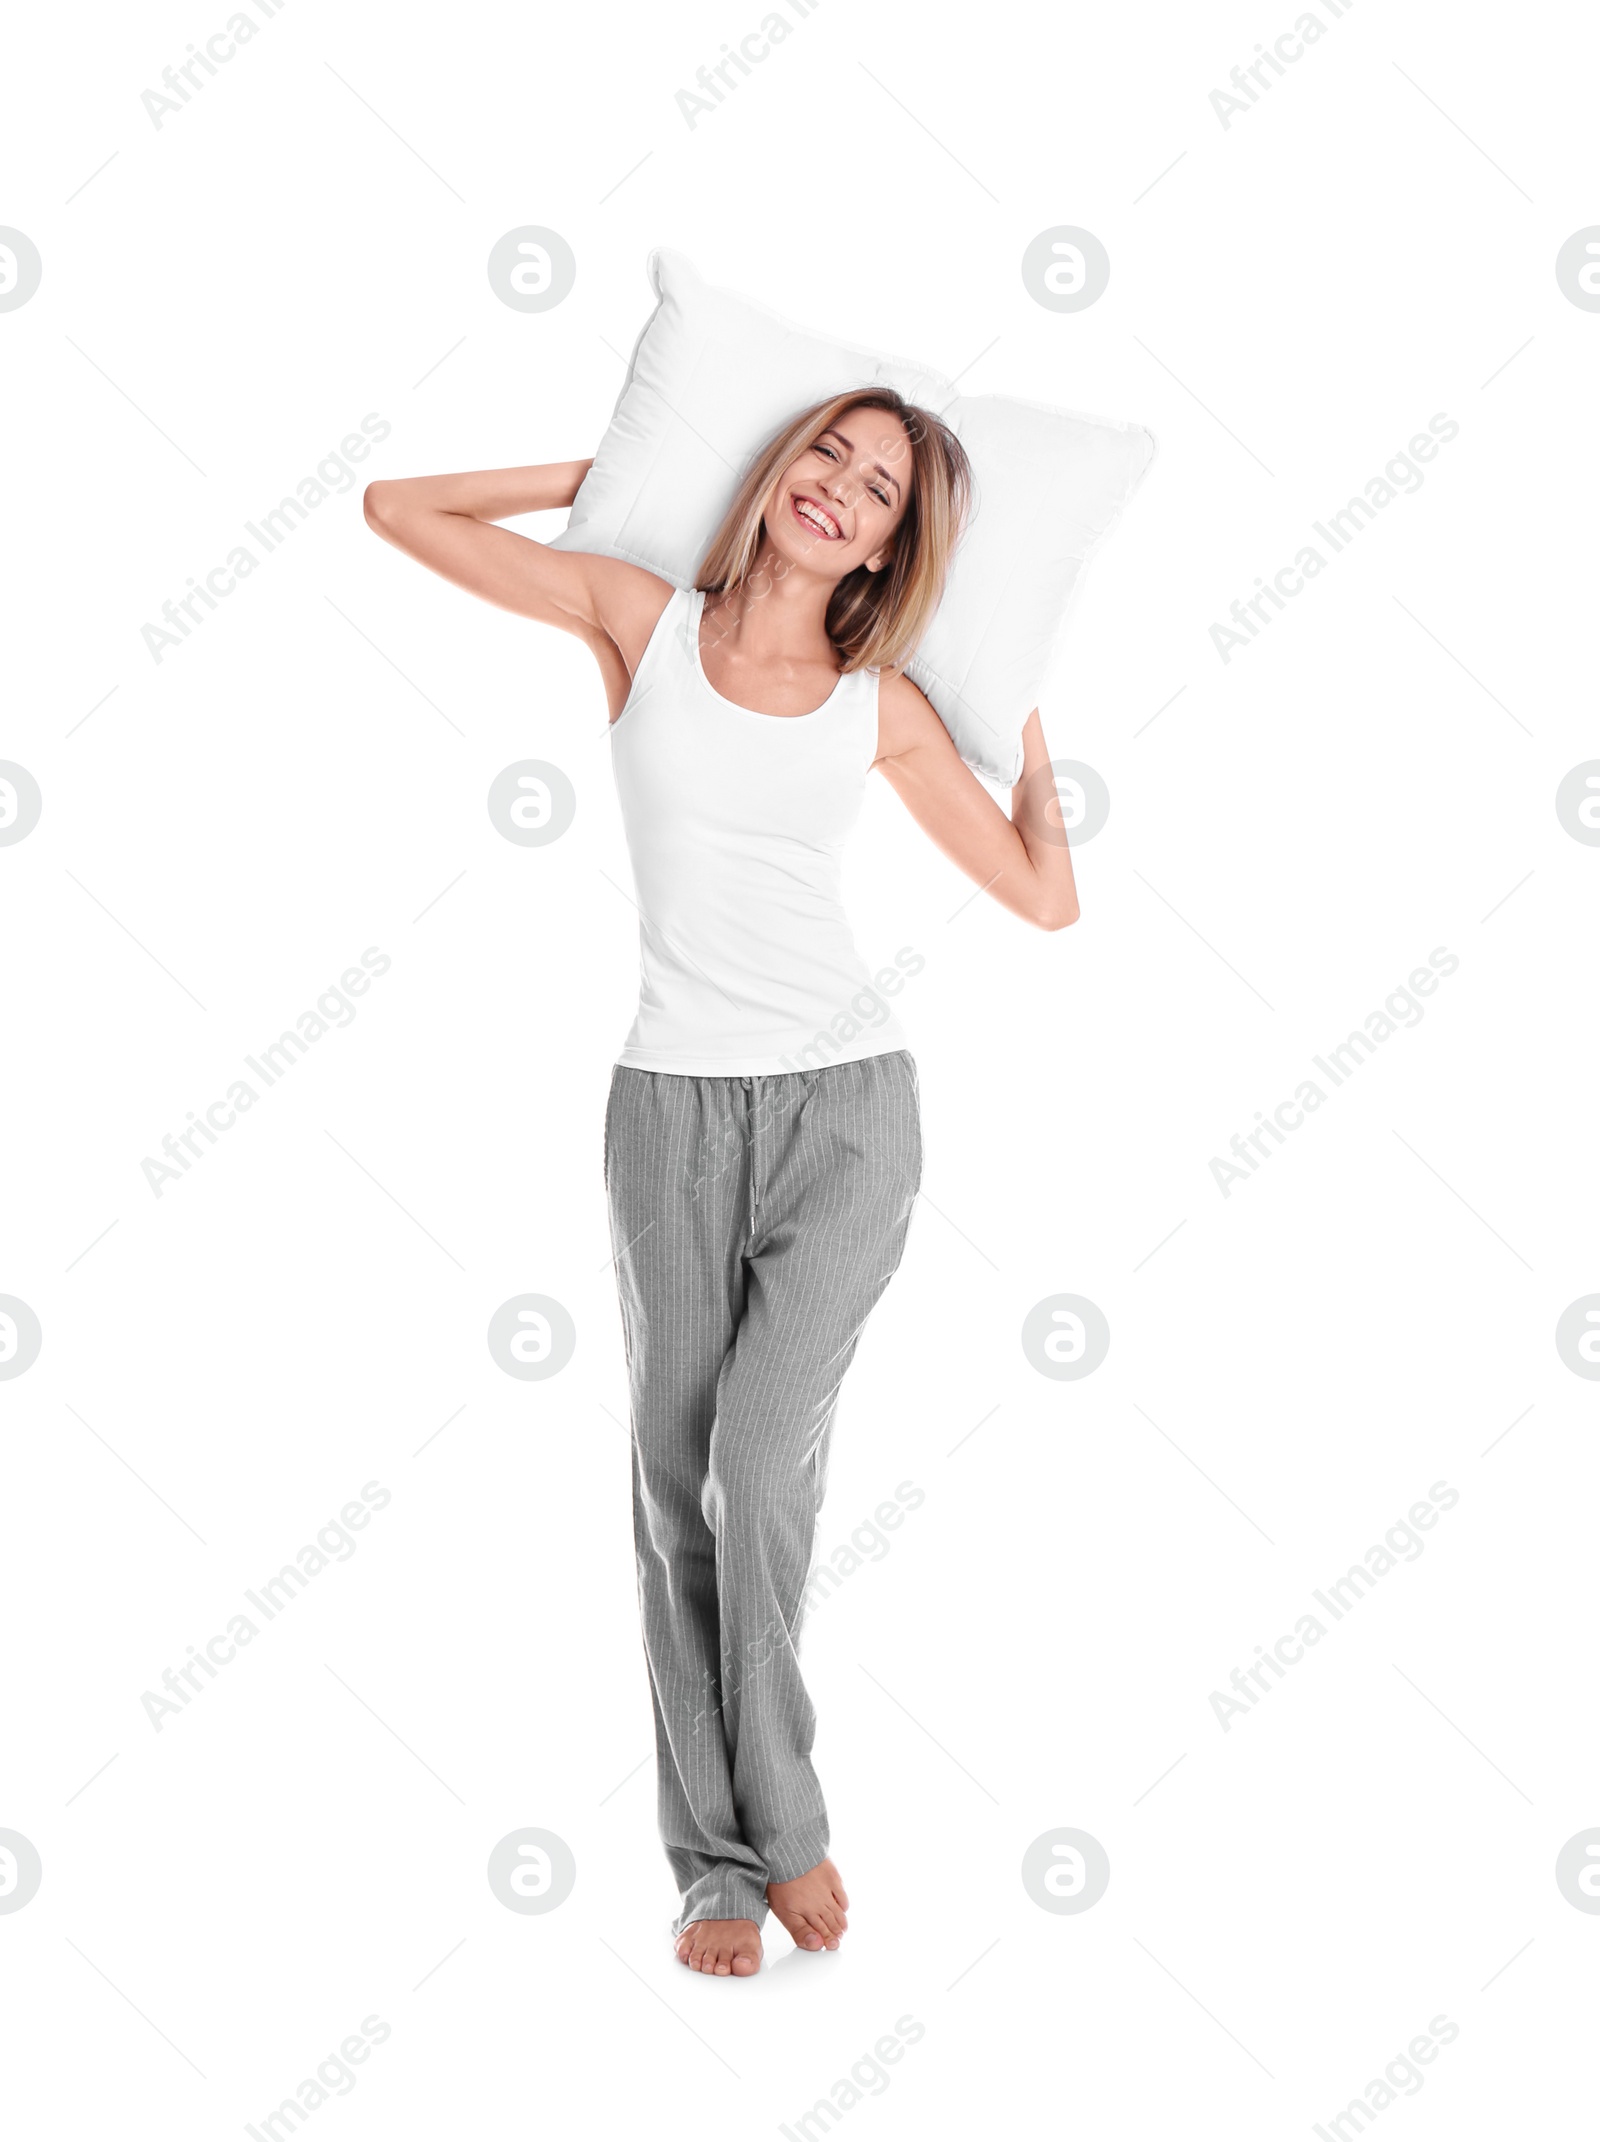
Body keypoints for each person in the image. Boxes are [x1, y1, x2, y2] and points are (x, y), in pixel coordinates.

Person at [364, 387, 1078, 1977]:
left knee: (760, 1465)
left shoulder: (879, 701)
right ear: (771, 467)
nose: (838, 489)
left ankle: (788, 1822)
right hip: (668, 1114)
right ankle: (712, 1867)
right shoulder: (640, 619)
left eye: (879, 489)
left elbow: (1042, 894)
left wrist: (1022, 707)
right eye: (824, 450)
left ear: (894, 544)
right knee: (668, 1489)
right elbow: (399, 511)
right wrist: (629, 477)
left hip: (848, 1118)